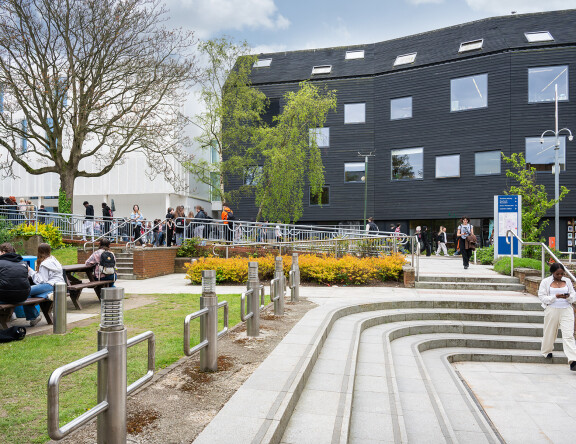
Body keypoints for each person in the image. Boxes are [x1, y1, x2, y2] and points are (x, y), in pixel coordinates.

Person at [538, 263, 576, 371]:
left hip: (566, 310)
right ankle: (547, 351)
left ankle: (573, 360)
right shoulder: (545, 282)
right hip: (552, 309)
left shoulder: (567, 281)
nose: (560, 276)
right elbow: (542, 296)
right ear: (552, 272)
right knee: (550, 332)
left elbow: (574, 295)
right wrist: (555, 296)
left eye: (562, 273)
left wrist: (569, 297)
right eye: (557, 274)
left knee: (568, 335)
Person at [27, 243, 65, 326]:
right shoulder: (54, 260)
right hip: (58, 285)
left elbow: (40, 281)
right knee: (29, 293)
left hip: (50, 285)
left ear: (39, 251)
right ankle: (47, 294)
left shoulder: (44, 264)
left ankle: (34, 316)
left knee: (25, 292)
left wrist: (30, 271)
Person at [0, 243, 31, 322]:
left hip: (4, 297)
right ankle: (11, 314)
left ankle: (9, 314)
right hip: (22, 297)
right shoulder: (23, 263)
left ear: (3, 252)